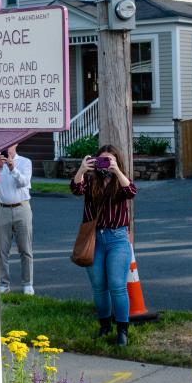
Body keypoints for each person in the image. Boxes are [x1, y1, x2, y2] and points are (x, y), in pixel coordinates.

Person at [71, 144, 138, 347]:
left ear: (116, 161)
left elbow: (131, 191)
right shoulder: (91, 180)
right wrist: (82, 169)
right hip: (95, 239)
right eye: (102, 160)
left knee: (117, 286)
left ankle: (122, 331)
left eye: (109, 160)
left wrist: (116, 170)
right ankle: (104, 326)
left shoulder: (120, 179)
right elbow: (76, 189)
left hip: (117, 238)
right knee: (99, 287)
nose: (105, 164)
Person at [0, 144, 34, 295]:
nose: (6, 147)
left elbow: (23, 183)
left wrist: (12, 168)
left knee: (25, 249)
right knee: (1, 250)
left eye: (10, 143)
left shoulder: (25, 162)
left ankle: (28, 284)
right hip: (1, 208)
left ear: (16, 143)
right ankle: (3, 284)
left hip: (22, 208)